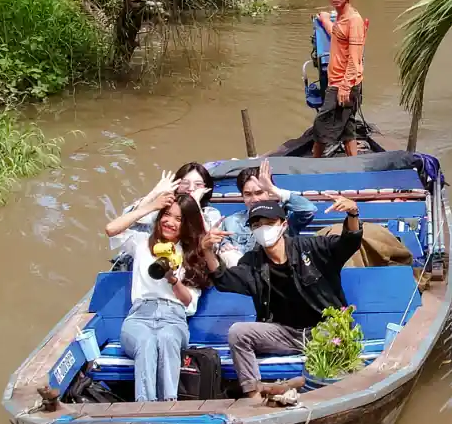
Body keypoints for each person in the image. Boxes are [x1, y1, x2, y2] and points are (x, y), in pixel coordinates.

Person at [208, 194, 362, 400]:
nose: (263, 229)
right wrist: (207, 250)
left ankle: (316, 395)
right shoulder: (252, 261)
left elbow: (348, 243)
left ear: (283, 224)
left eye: (269, 223)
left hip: (324, 329)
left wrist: (352, 212)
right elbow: (224, 280)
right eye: (257, 224)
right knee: (238, 332)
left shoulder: (311, 248)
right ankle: (254, 397)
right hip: (285, 333)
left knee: (327, 349)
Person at [104, 192, 214, 402]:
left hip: (173, 318)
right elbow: (111, 229)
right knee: (145, 341)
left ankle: (169, 405)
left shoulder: (191, 255)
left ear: (187, 225)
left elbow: (188, 302)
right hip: (139, 317)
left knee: (166, 338)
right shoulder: (142, 243)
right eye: (166, 214)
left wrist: (173, 280)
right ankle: (145, 407)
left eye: (178, 219)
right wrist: (151, 206)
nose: (169, 222)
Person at [109, 163, 227, 266]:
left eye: (198, 185)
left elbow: (209, 246)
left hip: (186, 261)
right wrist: (155, 192)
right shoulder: (165, 207)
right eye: (185, 183)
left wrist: (194, 205)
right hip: (151, 256)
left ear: (206, 188)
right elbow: (127, 224)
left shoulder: (210, 213)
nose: (191, 189)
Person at [219, 158, 317, 259]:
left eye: (259, 193)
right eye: (248, 194)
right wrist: (225, 247)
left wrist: (273, 189)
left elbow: (309, 209)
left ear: (269, 193)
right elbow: (224, 243)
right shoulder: (231, 222)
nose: (254, 199)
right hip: (244, 270)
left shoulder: (284, 216)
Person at [314, 0, 367, 157]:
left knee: (320, 128)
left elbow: (355, 58)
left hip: (343, 85)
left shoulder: (354, 21)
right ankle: (354, 164)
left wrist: (345, 87)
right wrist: (324, 19)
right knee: (347, 130)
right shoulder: (341, 18)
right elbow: (335, 33)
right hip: (337, 82)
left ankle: (312, 166)